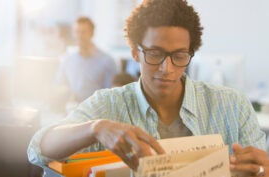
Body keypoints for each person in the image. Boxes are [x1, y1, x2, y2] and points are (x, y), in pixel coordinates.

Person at [28, 0, 268, 176]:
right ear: (135, 52)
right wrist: (96, 128)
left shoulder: (232, 105)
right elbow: (38, 149)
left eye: (180, 56)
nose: (167, 68)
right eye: (155, 54)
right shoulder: (108, 105)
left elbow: (262, 168)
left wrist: (263, 169)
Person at [55, 16, 117, 104]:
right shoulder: (67, 59)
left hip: (97, 112)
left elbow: (111, 94)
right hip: (72, 109)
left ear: (92, 34)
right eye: (77, 32)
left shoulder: (107, 61)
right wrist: (64, 92)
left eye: (83, 32)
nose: (79, 36)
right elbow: (58, 85)